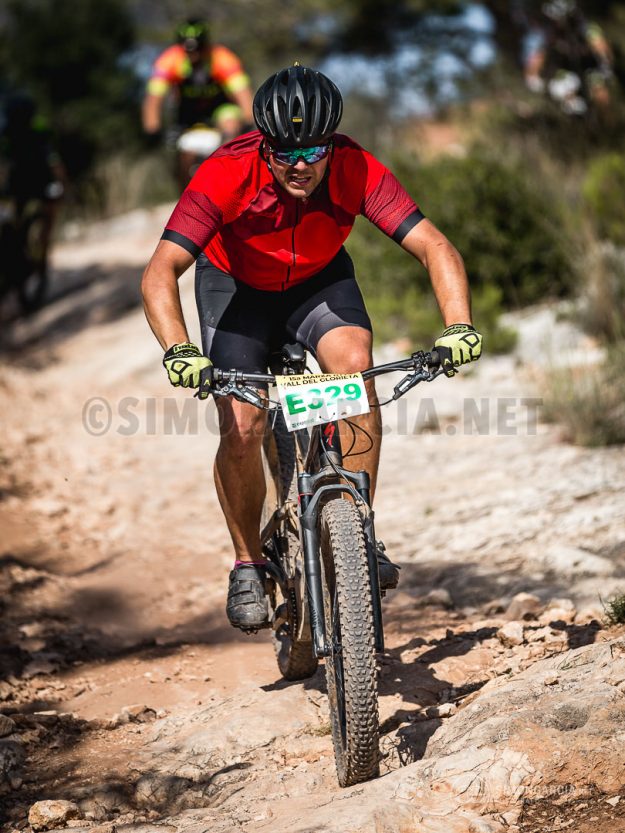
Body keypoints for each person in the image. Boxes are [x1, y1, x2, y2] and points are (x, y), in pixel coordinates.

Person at [141, 65, 482, 632]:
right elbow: (160, 273)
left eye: (314, 150)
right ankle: (248, 562)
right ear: (264, 144)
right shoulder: (225, 171)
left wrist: (458, 325)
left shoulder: (355, 166)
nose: (301, 165)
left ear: (332, 142)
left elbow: (434, 246)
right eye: (284, 153)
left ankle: (359, 529)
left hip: (318, 283)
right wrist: (179, 350)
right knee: (243, 425)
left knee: (355, 375)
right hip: (236, 290)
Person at [142, 17, 254, 184]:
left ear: (207, 45)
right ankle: (186, 197)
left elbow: (243, 94)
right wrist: (152, 129)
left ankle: (231, 181)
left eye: (198, 49)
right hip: (187, 113)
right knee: (185, 156)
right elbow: (153, 98)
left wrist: (248, 121)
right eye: (187, 49)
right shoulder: (168, 60)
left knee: (231, 125)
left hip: (220, 107)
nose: (193, 54)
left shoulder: (223, 58)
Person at [525, 0, 613, 115]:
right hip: (569, 63)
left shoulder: (582, 25)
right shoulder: (547, 32)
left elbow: (598, 42)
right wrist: (532, 76)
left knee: (597, 84)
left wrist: (605, 60)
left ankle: (606, 116)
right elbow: (538, 54)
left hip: (584, 59)